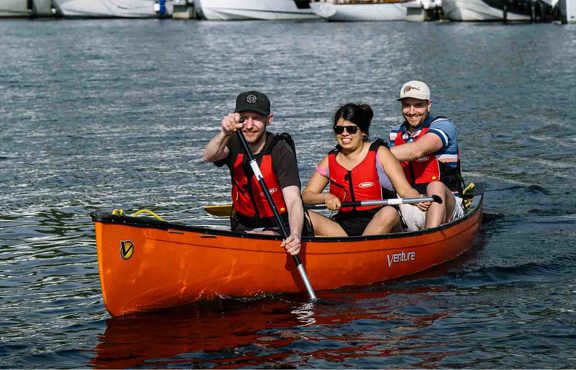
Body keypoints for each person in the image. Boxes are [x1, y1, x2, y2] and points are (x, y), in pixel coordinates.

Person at [302, 103, 428, 237]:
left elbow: (405, 190)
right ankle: (353, 250)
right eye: (339, 129)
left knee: (389, 212)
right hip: (343, 227)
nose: (344, 134)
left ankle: (357, 250)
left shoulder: (381, 153)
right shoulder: (330, 159)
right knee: (304, 216)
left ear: (363, 132)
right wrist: (326, 197)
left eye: (351, 129)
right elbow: (306, 195)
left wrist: (418, 198)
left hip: (381, 220)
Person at [203, 91, 304, 256]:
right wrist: (224, 133)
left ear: (268, 119)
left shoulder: (280, 150)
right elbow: (209, 156)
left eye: (256, 118)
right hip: (243, 224)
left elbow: (293, 199)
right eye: (244, 118)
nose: (249, 125)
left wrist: (295, 235)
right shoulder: (233, 142)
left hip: (278, 225)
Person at [388, 80, 465, 231]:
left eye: (418, 105)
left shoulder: (444, 126)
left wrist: (370, 153)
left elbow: (417, 151)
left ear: (429, 105)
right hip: (409, 202)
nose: (411, 111)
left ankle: (430, 238)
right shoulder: (394, 134)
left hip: (445, 204)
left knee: (435, 186)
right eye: (406, 105)